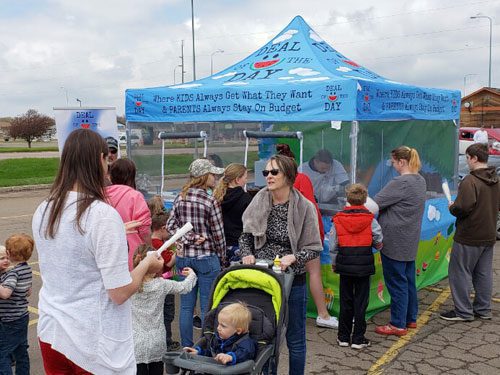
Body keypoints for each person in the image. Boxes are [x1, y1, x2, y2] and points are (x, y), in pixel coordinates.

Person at [32, 129, 163, 374]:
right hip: (91, 342)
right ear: (100, 159)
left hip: (52, 331)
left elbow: (71, 249)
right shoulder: (101, 215)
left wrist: (115, 232)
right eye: (106, 158)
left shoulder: (45, 209)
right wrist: (146, 264)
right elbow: (119, 292)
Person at [240, 154, 323, 375]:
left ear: (288, 175)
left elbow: (315, 247)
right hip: (263, 277)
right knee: (264, 335)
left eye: (273, 172)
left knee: (295, 338)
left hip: (291, 280)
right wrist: (247, 253)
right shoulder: (259, 199)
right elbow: (246, 235)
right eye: (265, 172)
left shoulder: (304, 206)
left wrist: (293, 257)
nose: (268, 176)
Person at [275, 144, 337, 329]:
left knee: (282, 275)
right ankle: (323, 314)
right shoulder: (302, 179)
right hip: (304, 236)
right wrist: (318, 234)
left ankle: (279, 314)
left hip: (282, 237)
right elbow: (311, 209)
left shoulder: (274, 181)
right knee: (314, 273)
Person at [167, 158, 226, 347]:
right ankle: (205, 348)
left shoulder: (180, 197)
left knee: (186, 306)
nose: (216, 177)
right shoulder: (210, 201)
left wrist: (187, 238)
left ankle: (186, 347)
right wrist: (223, 258)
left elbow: (170, 226)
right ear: (203, 177)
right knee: (208, 307)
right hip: (207, 258)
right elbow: (218, 235)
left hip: (184, 259)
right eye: (212, 174)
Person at [440, 143, 499, 321]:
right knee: (483, 273)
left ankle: (463, 311)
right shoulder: (495, 179)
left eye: (467, 158)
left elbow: (463, 207)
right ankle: (483, 308)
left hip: (469, 234)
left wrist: (452, 207)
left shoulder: (470, 181)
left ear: (474, 158)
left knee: (460, 271)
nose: (467, 161)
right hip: (489, 233)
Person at [373, 146, 426, 337]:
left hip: (394, 241)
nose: (392, 165)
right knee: (408, 280)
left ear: (401, 162)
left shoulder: (400, 182)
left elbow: (375, 203)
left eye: (393, 162)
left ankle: (397, 323)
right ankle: (410, 318)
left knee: (397, 283)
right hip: (409, 239)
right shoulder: (420, 180)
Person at [329, 184, 383, 349]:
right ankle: (359, 338)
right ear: (365, 199)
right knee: (361, 302)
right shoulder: (370, 219)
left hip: (345, 264)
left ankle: (343, 336)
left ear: (347, 199)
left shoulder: (338, 219)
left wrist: (334, 262)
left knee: (346, 301)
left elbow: (333, 244)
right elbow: (378, 237)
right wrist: (377, 245)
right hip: (363, 266)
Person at [131, 244, 197, 375]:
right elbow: (185, 287)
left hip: (135, 341)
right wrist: (191, 275)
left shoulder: (129, 285)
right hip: (157, 339)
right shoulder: (162, 285)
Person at [107, 158, 152, 270]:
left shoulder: (102, 194)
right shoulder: (135, 196)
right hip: (133, 252)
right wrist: (150, 247)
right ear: (132, 175)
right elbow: (144, 229)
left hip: (109, 250)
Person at [0, 234, 34, 375]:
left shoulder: (13, 274)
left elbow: (5, 293)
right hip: (22, 316)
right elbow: (28, 291)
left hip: (10, 320)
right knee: (21, 351)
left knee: (2, 355)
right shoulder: (27, 269)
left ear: (10, 253)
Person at [183, 302, 257, 366]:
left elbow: (245, 354)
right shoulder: (217, 339)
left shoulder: (245, 343)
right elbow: (212, 354)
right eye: (218, 324)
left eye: (223, 326)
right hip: (215, 369)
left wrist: (231, 357)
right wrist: (199, 353)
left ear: (238, 331)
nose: (218, 328)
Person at [150, 212, 179, 351]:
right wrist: (178, 252)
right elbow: (168, 263)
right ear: (162, 228)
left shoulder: (150, 241)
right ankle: (167, 341)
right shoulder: (159, 244)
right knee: (168, 314)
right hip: (165, 281)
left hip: (157, 280)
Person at [213, 163, 252, 264]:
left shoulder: (217, 197)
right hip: (239, 245)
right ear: (237, 179)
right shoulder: (246, 198)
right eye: (245, 177)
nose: (246, 180)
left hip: (220, 245)